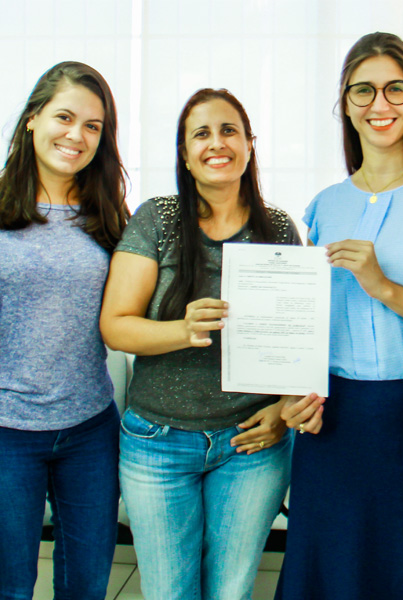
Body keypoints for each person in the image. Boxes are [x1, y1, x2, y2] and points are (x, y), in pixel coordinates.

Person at [275, 32, 403, 600]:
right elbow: (305, 323)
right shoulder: (324, 206)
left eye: (395, 89)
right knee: (331, 569)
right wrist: (293, 394)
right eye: (362, 90)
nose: (378, 104)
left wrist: (383, 286)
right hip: (332, 421)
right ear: (345, 104)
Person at [100, 88, 299, 600]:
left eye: (229, 130)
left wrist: (283, 407)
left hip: (250, 444)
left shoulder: (278, 228)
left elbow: (297, 339)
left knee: (231, 591)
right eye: (201, 134)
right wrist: (181, 330)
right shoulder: (158, 218)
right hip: (157, 441)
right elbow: (115, 326)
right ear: (185, 155)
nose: (217, 143)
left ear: (250, 145)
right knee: (170, 592)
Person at [0, 61, 128, 599]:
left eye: (92, 126)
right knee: (7, 588)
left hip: (89, 426)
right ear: (33, 118)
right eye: (64, 117)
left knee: (86, 586)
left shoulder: (108, 211)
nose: (76, 135)